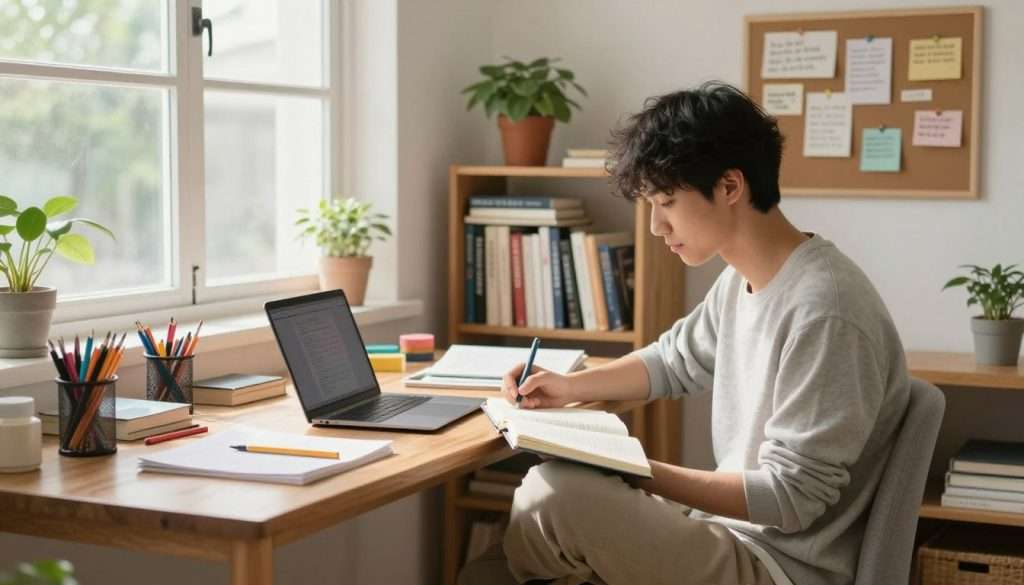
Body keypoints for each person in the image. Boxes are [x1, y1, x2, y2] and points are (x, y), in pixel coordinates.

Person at [457, 82, 911, 585]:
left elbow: (789, 498)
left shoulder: (826, 311)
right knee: (500, 556)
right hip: (728, 536)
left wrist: (633, 470)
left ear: (731, 187)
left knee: (553, 495)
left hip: (780, 567)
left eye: (667, 201)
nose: (655, 226)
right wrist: (567, 386)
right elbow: (673, 360)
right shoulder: (742, 280)